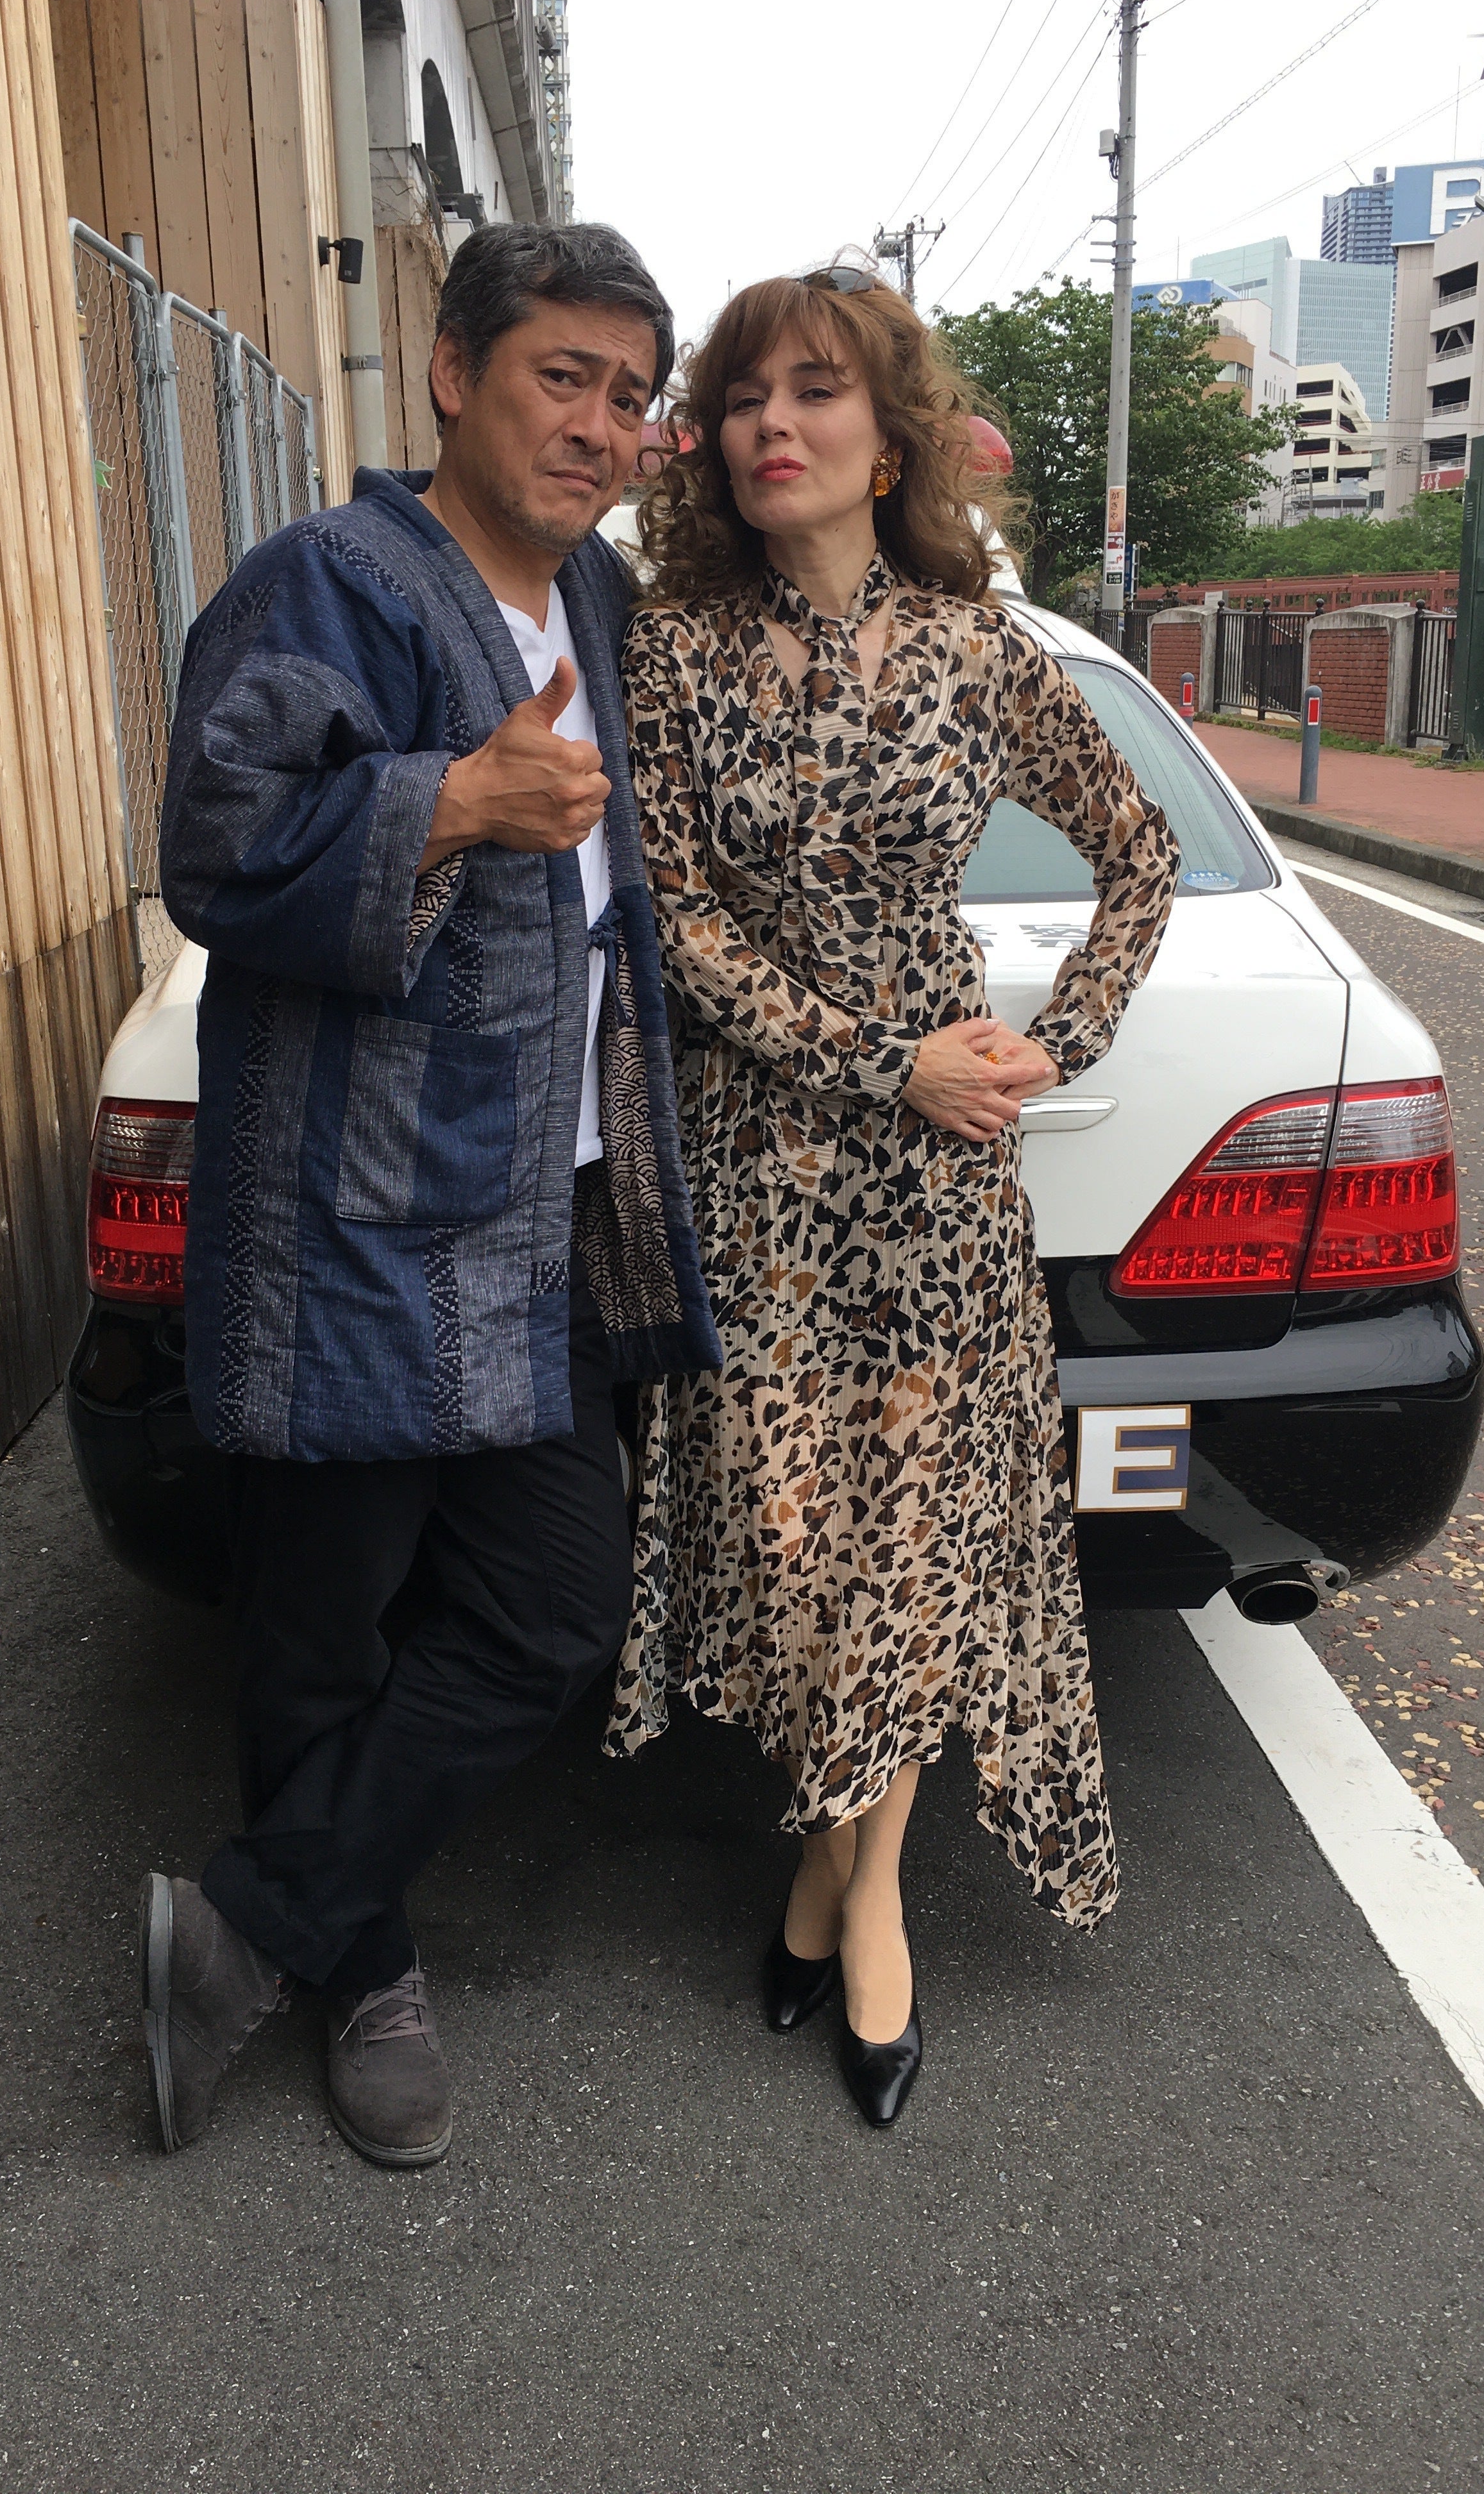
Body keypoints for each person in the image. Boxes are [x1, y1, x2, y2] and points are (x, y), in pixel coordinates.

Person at [142, 221, 720, 2171]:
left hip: (532, 1224)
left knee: (552, 1608)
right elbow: (213, 849)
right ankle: (367, 1964)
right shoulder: (329, 581)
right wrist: (453, 802)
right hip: (355, 1219)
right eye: (564, 376)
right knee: (323, 1630)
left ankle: (249, 1926)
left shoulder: (604, 604)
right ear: (456, 372)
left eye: (630, 396)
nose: (600, 426)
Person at [605, 265, 1181, 2127]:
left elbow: (1142, 850)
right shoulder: (674, 652)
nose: (775, 423)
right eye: (745, 395)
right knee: (793, 1540)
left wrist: (1056, 1040)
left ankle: (862, 1906)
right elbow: (679, 927)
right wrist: (889, 1060)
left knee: (915, 1540)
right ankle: (833, 1867)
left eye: (817, 391)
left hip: (940, 1189)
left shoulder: (979, 650)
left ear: (888, 439)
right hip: (763, 1168)